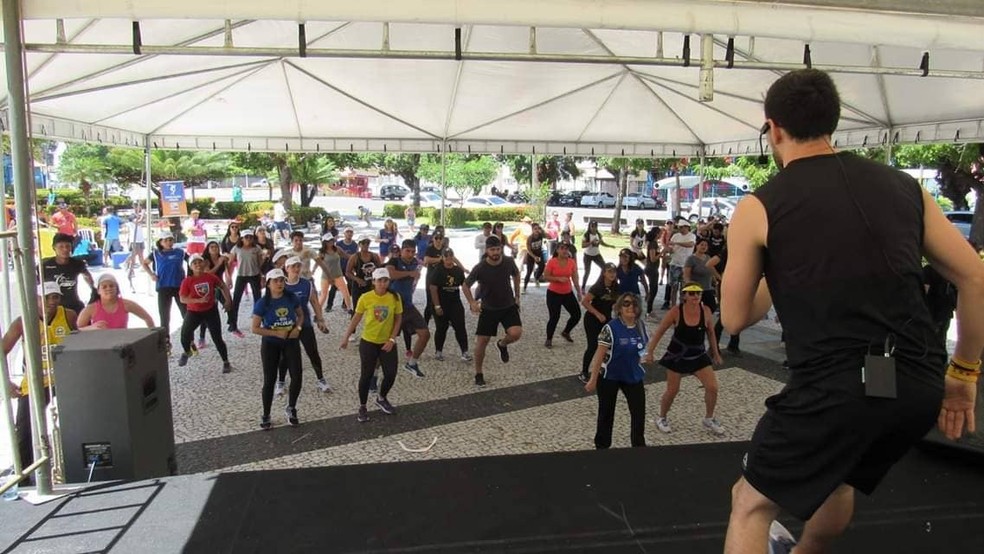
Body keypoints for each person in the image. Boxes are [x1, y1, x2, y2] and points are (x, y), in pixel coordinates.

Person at [721, 69, 984, 553]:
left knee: (750, 504)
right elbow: (975, 276)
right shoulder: (907, 187)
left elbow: (734, 318)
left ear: (773, 128)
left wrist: (778, 273)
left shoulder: (760, 206)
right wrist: (964, 375)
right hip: (917, 386)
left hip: (834, 388)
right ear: (832, 123)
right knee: (838, 478)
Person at [2, 283, 78, 473]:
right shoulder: (23, 321)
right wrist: (6, 382)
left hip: (66, 379)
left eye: (55, 297)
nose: (51, 302)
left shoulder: (68, 315)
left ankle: (74, 466)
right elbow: (2, 350)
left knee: (76, 422)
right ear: (36, 300)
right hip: (36, 381)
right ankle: (25, 472)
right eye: (46, 297)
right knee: (25, 429)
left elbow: (80, 340)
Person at [643, 282, 724, 436]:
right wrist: (650, 352)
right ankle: (662, 417)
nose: (695, 296)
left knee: (712, 387)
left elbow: (711, 333)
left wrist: (716, 353)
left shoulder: (706, 311)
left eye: (698, 293)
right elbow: (660, 331)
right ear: (684, 295)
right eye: (692, 293)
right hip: (677, 356)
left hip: (699, 355)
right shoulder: (676, 311)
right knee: (673, 391)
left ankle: (709, 418)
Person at [584, 292, 649, 449]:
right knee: (606, 413)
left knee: (638, 412)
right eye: (626, 304)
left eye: (634, 304)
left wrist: (646, 357)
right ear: (619, 308)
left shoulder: (640, 326)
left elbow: (641, 349)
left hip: (632, 376)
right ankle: (602, 446)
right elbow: (599, 356)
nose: (631, 307)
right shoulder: (610, 328)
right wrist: (593, 379)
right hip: (610, 377)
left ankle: (639, 446)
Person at [340, 267, 403, 423]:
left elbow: (398, 319)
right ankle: (362, 405)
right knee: (366, 375)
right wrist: (346, 337)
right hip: (368, 342)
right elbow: (356, 318)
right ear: (373, 282)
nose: (382, 283)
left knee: (390, 373)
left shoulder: (394, 297)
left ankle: (381, 397)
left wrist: (392, 339)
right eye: (379, 280)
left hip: (387, 342)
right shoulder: (365, 298)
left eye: (385, 280)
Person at [462, 236, 522, 387]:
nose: (495, 252)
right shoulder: (480, 267)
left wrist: (517, 296)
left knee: (516, 333)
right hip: (488, 308)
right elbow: (465, 285)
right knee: (482, 342)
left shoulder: (508, 262)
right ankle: (478, 373)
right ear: (487, 250)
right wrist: (472, 302)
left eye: (498, 249)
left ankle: (502, 344)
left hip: (508, 306)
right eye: (492, 249)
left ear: (501, 248)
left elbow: (516, 275)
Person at [252, 268, 304, 429]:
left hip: (290, 341)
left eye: (281, 280)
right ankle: (266, 413)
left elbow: (301, 315)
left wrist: (298, 329)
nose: (279, 283)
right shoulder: (263, 303)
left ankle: (291, 407)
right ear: (268, 284)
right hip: (271, 343)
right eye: (275, 281)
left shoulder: (291, 297)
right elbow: (255, 328)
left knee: (297, 375)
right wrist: (275, 333)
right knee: (270, 379)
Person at [276, 256, 332, 394]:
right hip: (286, 326)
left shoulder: (306, 284)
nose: (296, 269)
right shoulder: (280, 284)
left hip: (305, 324)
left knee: (313, 352)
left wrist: (320, 320)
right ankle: (281, 382)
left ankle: (321, 379)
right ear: (286, 268)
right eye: (293, 266)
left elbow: (314, 301)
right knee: (284, 356)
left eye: (298, 266)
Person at [177, 254, 233, 372]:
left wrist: (227, 300)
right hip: (194, 312)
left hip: (210, 310)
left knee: (217, 338)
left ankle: (226, 361)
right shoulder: (187, 281)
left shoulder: (210, 277)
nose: (198, 265)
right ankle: (187, 351)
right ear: (191, 267)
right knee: (184, 335)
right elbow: (183, 299)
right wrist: (198, 300)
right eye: (195, 263)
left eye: (200, 262)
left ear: (204, 264)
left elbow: (223, 286)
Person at [387, 239, 430, 378]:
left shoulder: (415, 263)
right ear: (401, 251)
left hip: (408, 305)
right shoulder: (394, 261)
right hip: (393, 307)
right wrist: (409, 274)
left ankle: (412, 363)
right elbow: (390, 274)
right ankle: (374, 376)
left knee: (425, 334)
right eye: (407, 251)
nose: (410, 254)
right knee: (386, 342)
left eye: (413, 252)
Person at [143, 231, 187, 346]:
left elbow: (192, 261)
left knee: (186, 313)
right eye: (165, 240)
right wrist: (151, 274)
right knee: (164, 316)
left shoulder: (180, 252)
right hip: (163, 286)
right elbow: (144, 263)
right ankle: (166, 341)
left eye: (170, 240)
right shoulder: (155, 254)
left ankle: (189, 338)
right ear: (160, 242)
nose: (168, 242)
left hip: (179, 286)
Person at [428, 248, 471, 362]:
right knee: (441, 328)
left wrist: (471, 301)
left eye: (451, 256)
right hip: (441, 302)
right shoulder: (438, 270)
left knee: (460, 327)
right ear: (443, 258)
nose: (449, 259)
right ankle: (438, 351)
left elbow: (465, 286)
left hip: (455, 302)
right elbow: (433, 288)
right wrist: (437, 306)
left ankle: (465, 351)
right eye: (446, 256)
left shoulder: (458, 270)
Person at [580, 263, 619, 383]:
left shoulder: (615, 287)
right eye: (609, 272)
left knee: (610, 345)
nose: (612, 274)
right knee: (592, 346)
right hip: (592, 320)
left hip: (607, 320)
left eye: (613, 272)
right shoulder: (597, 287)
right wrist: (597, 314)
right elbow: (585, 302)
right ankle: (584, 372)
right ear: (604, 273)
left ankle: (605, 369)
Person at [225, 229, 266, 338]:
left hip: (254, 274)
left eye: (250, 237)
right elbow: (229, 262)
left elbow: (260, 262)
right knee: (236, 301)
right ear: (242, 238)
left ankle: (260, 322)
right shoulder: (237, 248)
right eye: (246, 237)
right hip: (241, 275)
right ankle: (233, 324)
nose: (248, 239)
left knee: (258, 299)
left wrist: (262, 275)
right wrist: (228, 277)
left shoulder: (256, 248)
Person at [77, 274, 155, 330]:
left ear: (117, 288)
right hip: (99, 346)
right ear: (98, 291)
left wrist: (154, 339)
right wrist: (91, 327)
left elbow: (148, 318)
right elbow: (76, 330)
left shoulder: (126, 304)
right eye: (104, 287)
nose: (108, 288)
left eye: (111, 286)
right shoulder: (91, 308)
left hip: (122, 345)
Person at [41, 232, 94, 314]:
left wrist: (93, 290)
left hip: (73, 304)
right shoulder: (45, 265)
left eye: (67, 246)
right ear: (54, 248)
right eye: (61, 247)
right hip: (53, 306)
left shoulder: (77, 263)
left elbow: (87, 276)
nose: (65, 249)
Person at [542, 241, 581, 348]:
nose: (565, 250)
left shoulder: (571, 262)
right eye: (562, 248)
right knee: (554, 317)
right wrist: (557, 279)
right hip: (553, 293)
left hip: (567, 293)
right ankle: (549, 339)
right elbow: (545, 276)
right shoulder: (552, 262)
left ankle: (566, 331)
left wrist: (579, 291)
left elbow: (575, 278)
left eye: (566, 248)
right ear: (557, 250)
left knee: (577, 314)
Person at [346, 234, 383, 321]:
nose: (366, 245)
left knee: (375, 306)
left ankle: (375, 324)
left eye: (367, 243)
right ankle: (352, 329)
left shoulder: (374, 256)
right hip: (358, 286)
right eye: (363, 243)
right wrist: (357, 279)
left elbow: (380, 270)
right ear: (359, 244)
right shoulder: (354, 257)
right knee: (357, 308)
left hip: (372, 285)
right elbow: (348, 272)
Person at [661, 219, 694, 309]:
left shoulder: (691, 236)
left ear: (687, 227)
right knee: (673, 287)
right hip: (675, 263)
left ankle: (683, 307)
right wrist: (667, 250)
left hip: (686, 265)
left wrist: (676, 243)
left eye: (681, 227)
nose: (680, 229)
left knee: (684, 288)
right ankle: (673, 306)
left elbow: (690, 244)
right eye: (679, 227)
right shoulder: (675, 236)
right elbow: (671, 248)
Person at [317, 235, 353, 315]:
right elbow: (318, 263)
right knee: (323, 295)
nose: (331, 242)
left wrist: (355, 257)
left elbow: (346, 256)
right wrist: (312, 271)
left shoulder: (337, 249)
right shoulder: (322, 252)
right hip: (326, 277)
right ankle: (318, 311)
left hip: (338, 275)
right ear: (324, 242)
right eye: (328, 241)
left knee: (345, 292)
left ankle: (349, 308)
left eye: (332, 240)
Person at [580, 220, 611, 290]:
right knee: (587, 271)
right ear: (589, 227)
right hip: (587, 255)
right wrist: (591, 242)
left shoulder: (598, 234)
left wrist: (609, 246)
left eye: (595, 226)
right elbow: (582, 245)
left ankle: (600, 283)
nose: (594, 228)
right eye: (592, 226)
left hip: (596, 255)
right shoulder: (586, 235)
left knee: (604, 268)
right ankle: (583, 287)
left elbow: (602, 243)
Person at [123, 209, 146, 292]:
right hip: (135, 241)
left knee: (140, 254)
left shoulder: (137, 223)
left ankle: (142, 266)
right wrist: (143, 213)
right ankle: (127, 263)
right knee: (135, 254)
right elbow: (139, 221)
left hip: (140, 240)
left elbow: (140, 221)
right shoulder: (131, 223)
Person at [522, 223, 547, 293]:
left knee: (542, 266)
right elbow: (528, 249)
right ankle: (524, 287)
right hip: (531, 255)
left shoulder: (541, 235)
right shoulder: (530, 238)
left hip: (539, 253)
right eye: (535, 229)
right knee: (529, 271)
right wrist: (534, 257)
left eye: (538, 229)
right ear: (532, 230)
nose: (537, 230)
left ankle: (536, 278)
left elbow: (549, 236)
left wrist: (542, 230)